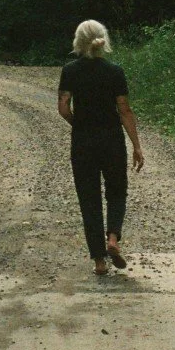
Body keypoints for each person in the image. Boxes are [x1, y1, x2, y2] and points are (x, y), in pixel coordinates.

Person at [58, 19, 145, 276]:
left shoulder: (70, 70)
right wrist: (137, 146)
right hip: (112, 140)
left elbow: (63, 107)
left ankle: (98, 261)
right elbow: (125, 110)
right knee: (117, 191)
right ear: (103, 39)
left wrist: (79, 123)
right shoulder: (115, 71)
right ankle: (113, 239)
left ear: (78, 41)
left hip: (83, 142)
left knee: (89, 198)